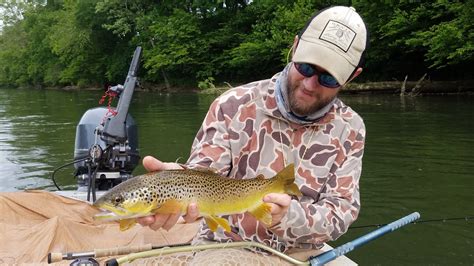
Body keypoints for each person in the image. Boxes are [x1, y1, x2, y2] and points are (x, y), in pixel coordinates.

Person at [138, 5, 368, 253]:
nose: (311, 85)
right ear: (295, 46)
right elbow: (204, 172)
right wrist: (177, 181)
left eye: (329, 78)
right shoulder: (233, 104)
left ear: (352, 76)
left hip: (304, 252)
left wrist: (289, 217)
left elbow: (342, 210)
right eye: (306, 67)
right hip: (225, 245)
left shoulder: (350, 128)